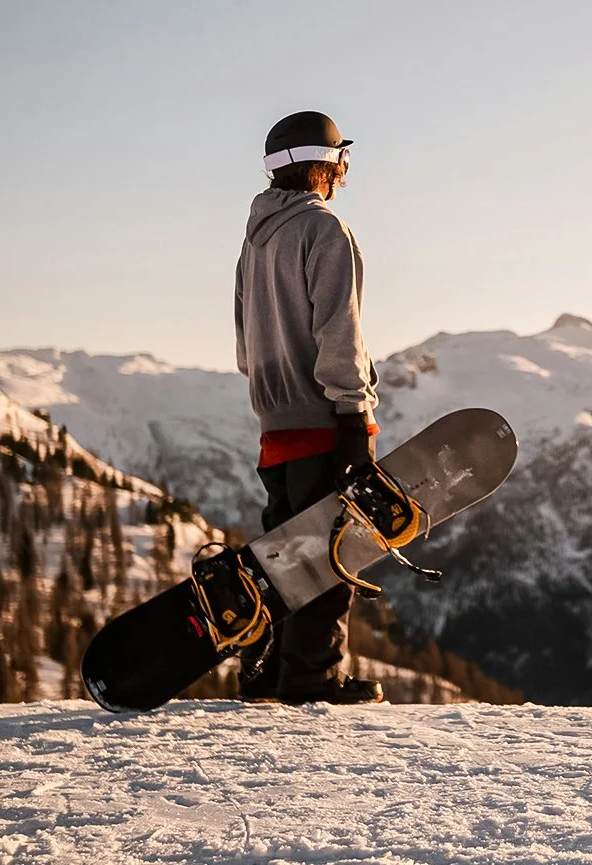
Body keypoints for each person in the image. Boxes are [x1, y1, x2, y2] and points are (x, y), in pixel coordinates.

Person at [233, 110, 384, 705]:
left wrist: (276, 400)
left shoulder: (254, 241)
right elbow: (338, 329)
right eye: (342, 156)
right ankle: (312, 676)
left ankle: (269, 670)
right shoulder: (324, 230)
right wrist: (352, 413)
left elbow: (246, 347)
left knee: (285, 552)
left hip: (275, 423)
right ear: (329, 162)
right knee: (331, 550)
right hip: (325, 416)